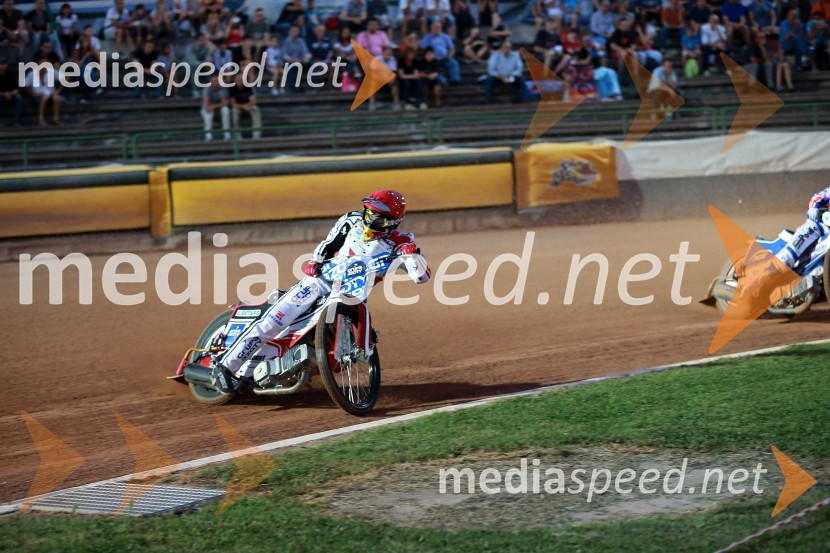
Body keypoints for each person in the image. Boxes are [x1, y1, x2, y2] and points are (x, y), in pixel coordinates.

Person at [210, 190, 431, 393]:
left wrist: (410, 255)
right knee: (274, 321)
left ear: (393, 222)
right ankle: (224, 368)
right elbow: (329, 243)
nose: (369, 219)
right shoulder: (351, 220)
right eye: (368, 212)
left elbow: (422, 276)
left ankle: (298, 363)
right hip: (319, 281)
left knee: (322, 332)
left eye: (377, 218)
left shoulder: (401, 242)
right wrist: (315, 261)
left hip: (350, 293)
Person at [422, 19, 460, 84]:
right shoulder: (427, 37)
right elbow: (425, 49)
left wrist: (449, 56)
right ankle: (443, 81)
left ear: (441, 28)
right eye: (435, 27)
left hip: (445, 58)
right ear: (431, 28)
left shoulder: (446, 36)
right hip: (433, 59)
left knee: (454, 63)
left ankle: (455, 80)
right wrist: (434, 57)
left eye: (438, 27)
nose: (436, 28)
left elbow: (452, 48)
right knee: (437, 69)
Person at [230, 73, 261, 139]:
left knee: (255, 109)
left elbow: (253, 101)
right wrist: (243, 106)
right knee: (234, 111)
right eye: (238, 80)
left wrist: (248, 106)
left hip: (248, 106)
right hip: (239, 108)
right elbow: (233, 104)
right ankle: (237, 134)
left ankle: (256, 134)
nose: (239, 82)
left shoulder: (249, 87)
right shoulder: (232, 89)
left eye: (241, 80)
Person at [201, 74, 230, 141]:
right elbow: (206, 103)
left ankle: (226, 132)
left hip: (218, 108)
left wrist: (213, 106)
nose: (216, 83)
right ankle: (208, 134)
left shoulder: (222, 89)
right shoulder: (207, 89)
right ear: (211, 82)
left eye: (217, 81)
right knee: (208, 112)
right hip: (209, 107)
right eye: (214, 81)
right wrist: (210, 107)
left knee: (225, 110)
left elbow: (224, 102)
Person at [0, 55, 22, 125]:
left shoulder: (11, 74)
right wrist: (3, 94)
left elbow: (17, 88)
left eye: (5, 63)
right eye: (1, 64)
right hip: (1, 95)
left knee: (19, 97)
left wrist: (11, 94)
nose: (4, 65)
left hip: (11, 94)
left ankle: (17, 121)